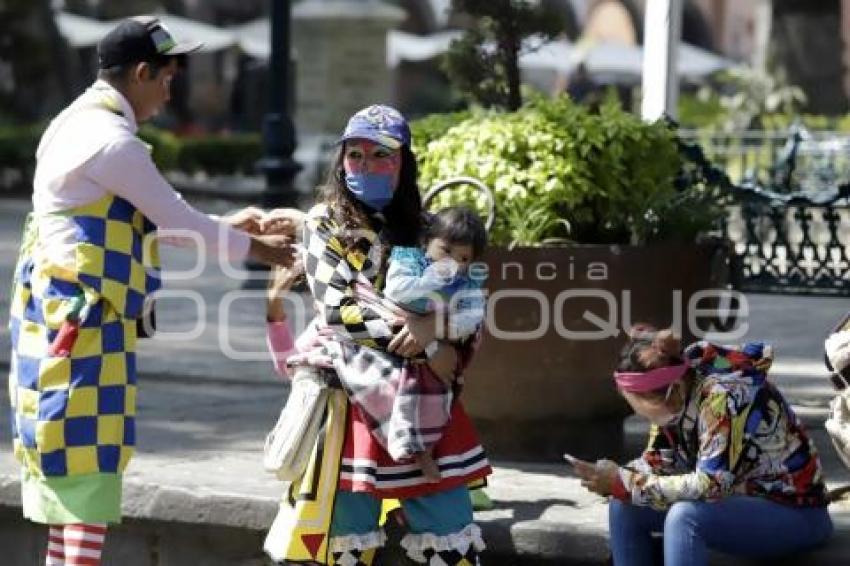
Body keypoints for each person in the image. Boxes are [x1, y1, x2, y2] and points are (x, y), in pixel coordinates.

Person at [7, 16, 296, 566]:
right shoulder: (113, 142)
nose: (169, 92)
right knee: (89, 462)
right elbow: (173, 219)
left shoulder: (72, 123)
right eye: (166, 78)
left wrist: (228, 227)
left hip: (57, 316)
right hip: (86, 324)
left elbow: (155, 219)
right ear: (141, 73)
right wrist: (257, 250)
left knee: (62, 458)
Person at [263, 104, 490, 566]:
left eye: (381, 156)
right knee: (345, 538)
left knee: (451, 529)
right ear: (341, 159)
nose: (365, 166)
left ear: (403, 163)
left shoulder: (425, 228)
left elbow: (467, 298)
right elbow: (338, 312)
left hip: (423, 402)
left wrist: (437, 327)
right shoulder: (323, 223)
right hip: (348, 406)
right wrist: (424, 341)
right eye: (356, 155)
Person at [573, 325, 833, 566]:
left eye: (641, 409)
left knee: (685, 517)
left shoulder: (723, 396)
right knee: (625, 504)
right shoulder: (677, 398)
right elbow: (660, 463)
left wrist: (626, 482)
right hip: (732, 504)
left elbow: (711, 483)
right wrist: (614, 477)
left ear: (671, 390)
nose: (643, 417)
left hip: (795, 513)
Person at [381, 205, 487, 480]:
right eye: (445, 251)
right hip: (395, 323)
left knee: (437, 388)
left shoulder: (466, 282)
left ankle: (423, 449)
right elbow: (396, 290)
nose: (453, 262)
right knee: (400, 385)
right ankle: (410, 447)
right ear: (426, 242)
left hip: (435, 333)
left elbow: (472, 314)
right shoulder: (410, 260)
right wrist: (431, 279)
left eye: (463, 257)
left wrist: (447, 328)